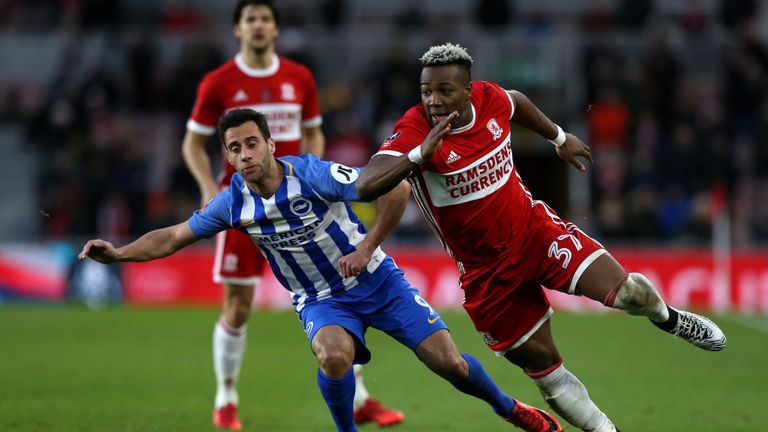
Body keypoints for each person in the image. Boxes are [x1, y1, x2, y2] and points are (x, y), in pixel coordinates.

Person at [79, 108, 564, 432]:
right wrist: (119, 253)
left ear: (269, 143)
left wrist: (368, 244)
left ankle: (511, 409)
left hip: (378, 280)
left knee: (451, 365)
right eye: (234, 149)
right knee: (332, 357)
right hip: (320, 300)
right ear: (226, 155)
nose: (245, 155)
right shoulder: (234, 203)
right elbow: (175, 235)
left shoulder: (311, 174)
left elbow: (391, 191)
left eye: (252, 144)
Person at [356, 43, 727, 432]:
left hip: (535, 232)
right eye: (426, 91)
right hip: (487, 276)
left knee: (628, 293)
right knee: (547, 372)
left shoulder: (491, 99)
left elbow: (517, 102)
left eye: (444, 90)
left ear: (469, 90)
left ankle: (669, 319)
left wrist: (559, 136)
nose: (433, 100)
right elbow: (367, 183)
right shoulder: (414, 129)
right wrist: (417, 155)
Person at [180, 1, 401, 428]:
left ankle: (360, 399)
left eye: (266, 19)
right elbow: (192, 142)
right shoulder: (218, 81)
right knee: (238, 306)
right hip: (245, 211)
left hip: (301, 209)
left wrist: (313, 177)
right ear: (238, 30)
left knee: (341, 294)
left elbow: (315, 131)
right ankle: (226, 397)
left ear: (276, 28)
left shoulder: (298, 77)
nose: (259, 26)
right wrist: (209, 187)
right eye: (251, 20)